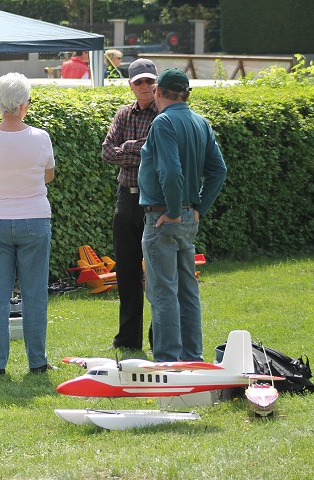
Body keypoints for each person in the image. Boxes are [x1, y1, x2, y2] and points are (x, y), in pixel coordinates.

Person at [138, 68, 227, 362]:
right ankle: (192, 358)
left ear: (158, 92)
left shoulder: (162, 122)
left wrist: (174, 212)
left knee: (163, 292)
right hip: (189, 217)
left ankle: (169, 362)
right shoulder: (200, 122)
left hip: (165, 216)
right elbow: (219, 170)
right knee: (188, 291)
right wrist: (199, 208)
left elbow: (171, 171)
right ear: (187, 94)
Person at [0, 72, 56, 375]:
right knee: (34, 293)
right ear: (23, 104)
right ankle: (38, 361)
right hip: (34, 217)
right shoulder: (40, 137)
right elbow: (49, 174)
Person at [102, 59, 159, 352]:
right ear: (130, 85)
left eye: (150, 81)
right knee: (126, 271)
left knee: (158, 273)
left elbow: (158, 152)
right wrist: (142, 150)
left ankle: (157, 338)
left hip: (154, 201)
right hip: (127, 197)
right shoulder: (124, 114)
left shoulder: (165, 112)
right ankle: (128, 339)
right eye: (139, 82)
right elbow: (107, 151)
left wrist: (128, 147)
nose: (145, 87)